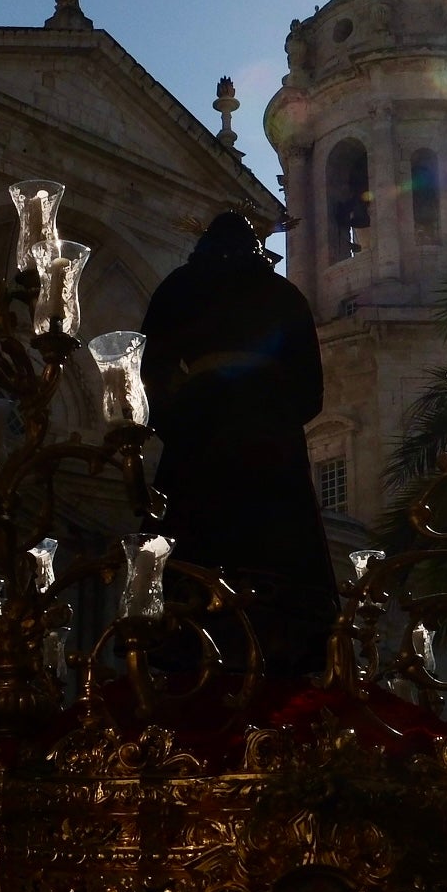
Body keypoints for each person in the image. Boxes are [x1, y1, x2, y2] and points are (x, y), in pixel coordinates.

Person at [139, 212, 337, 675]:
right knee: (279, 558)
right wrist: (273, 416)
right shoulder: (283, 295)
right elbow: (311, 391)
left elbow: (147, 371)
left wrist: (179, 418)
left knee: (192, 547)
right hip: (271, 444)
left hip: (198, 439)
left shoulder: (180, 286)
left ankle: (188, 637)